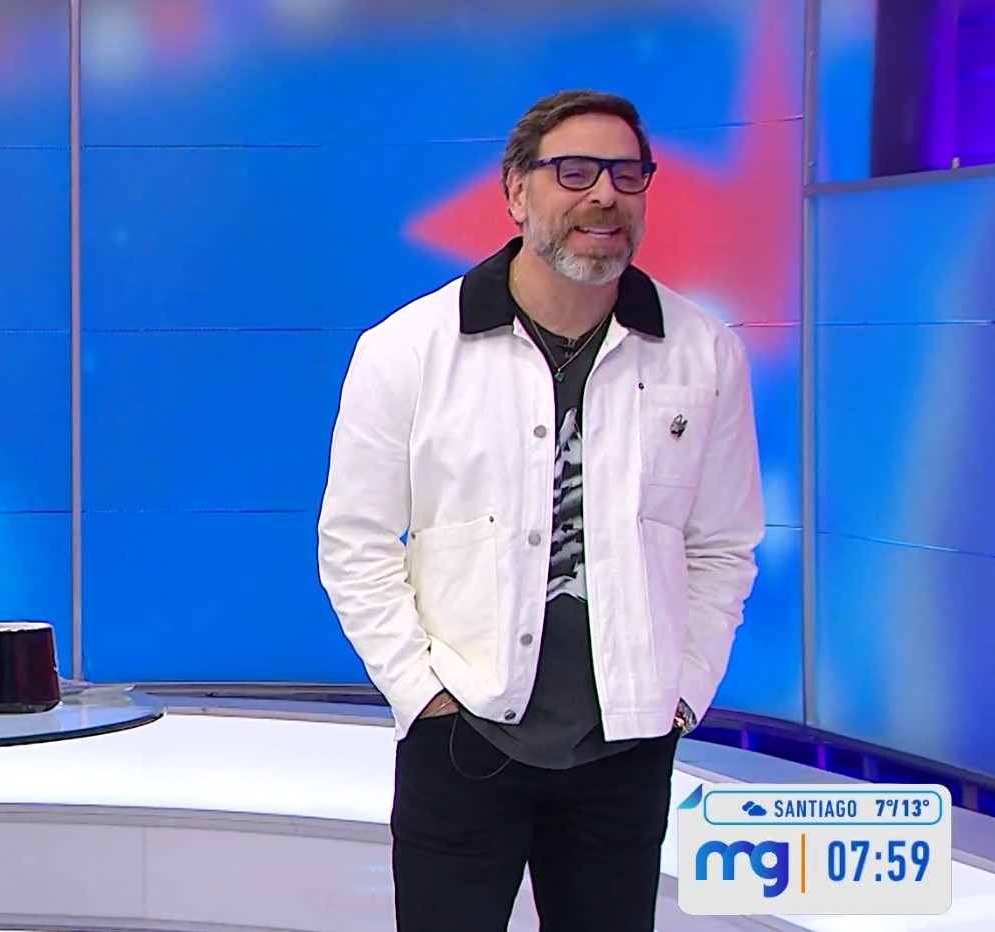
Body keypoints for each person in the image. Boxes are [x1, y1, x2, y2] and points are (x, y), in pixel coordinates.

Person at [316, 90, 764, 931]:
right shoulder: (409, 348)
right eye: (576, 172)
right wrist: (423, 693)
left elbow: (723, 545)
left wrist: (681, 695)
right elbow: (355, 542)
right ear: (517, 192)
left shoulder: (704, 352)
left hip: (625, 752)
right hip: (463, 739)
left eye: (627, 175)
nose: (605, 196)